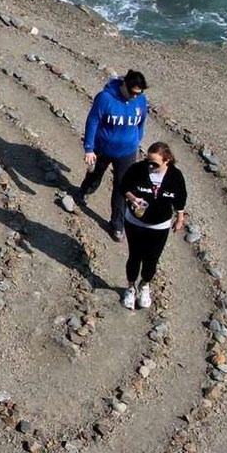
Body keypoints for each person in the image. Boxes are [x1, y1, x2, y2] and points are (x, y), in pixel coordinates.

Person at [78, 69, 150, 241]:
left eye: (138, 93)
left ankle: (117, 224)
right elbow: (93, 121)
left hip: (127, 152)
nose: (135, 97)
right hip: (104, 148)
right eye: (132, 92)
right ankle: (84, 191)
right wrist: (89, 148)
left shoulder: (140, 100)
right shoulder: (105, 98)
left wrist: (136, 139)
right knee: (95, 175)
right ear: (124, 85)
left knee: (122, 187)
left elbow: (141, 122)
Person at [119, 141, 187, 309]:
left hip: (160, 225)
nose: (150, 166)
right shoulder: (137, 169)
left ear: (167, 160)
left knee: (152, 259)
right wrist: (133, 199)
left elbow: (180, 198)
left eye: (155, 163)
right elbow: (124, 186)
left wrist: (180, 219)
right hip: (135, 222)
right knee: (134, 256)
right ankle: (130, 287)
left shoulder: (175, 176)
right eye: (148, 161)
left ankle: (145, 285)